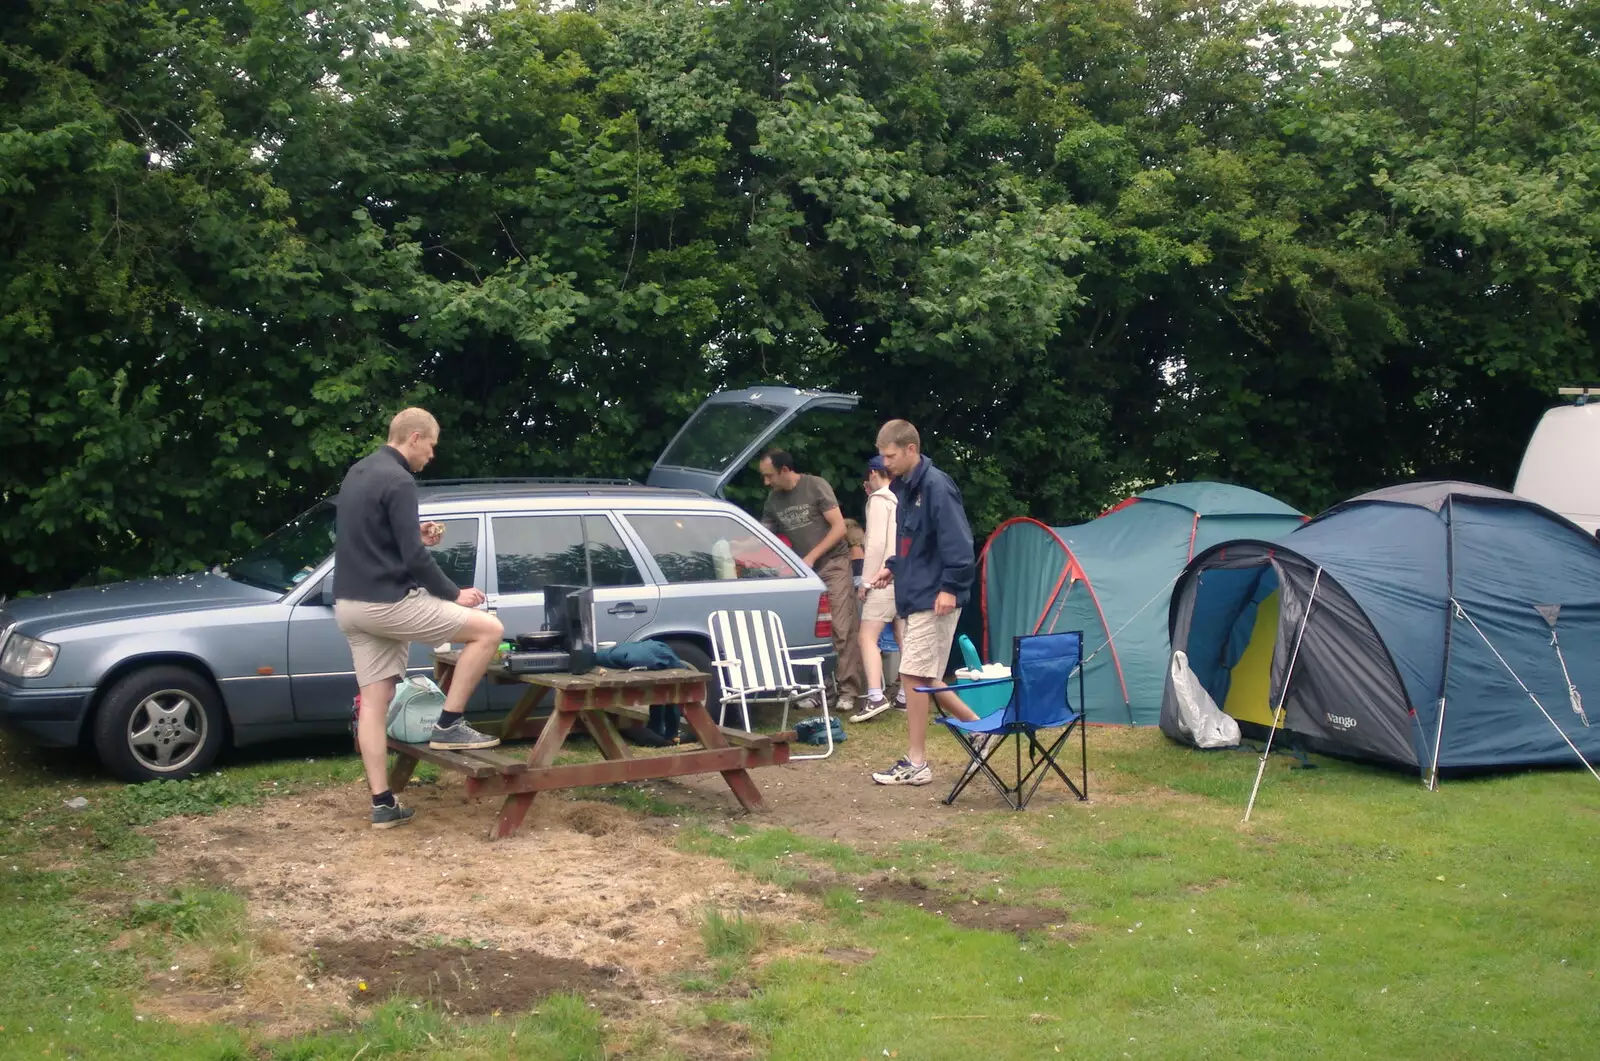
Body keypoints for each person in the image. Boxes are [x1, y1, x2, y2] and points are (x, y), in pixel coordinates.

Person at [334, 407, 505, 828]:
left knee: (375, 703)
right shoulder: (399, 479)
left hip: (349, 605)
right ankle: (449, 723)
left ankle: (382, 804)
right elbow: (412, 558)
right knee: (489, 630)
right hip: (387, 603)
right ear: (413, 438)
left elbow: (376, 538)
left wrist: (417, 531)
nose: (431, 454)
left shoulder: (359, 472)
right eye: (431, 445)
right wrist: (454, 594)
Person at [866, 420, 987, 785]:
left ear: (910, 449)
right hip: (916, 591)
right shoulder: (906, 489)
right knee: (924, 676)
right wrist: (892, 567)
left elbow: (960, 545)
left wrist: (950, 587)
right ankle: (981, 732)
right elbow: (913, 544)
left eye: (890, 455)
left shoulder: (936, 486)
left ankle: (917, 763)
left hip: (935, 596)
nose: (885, 463)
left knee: (912, 675)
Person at [759, 449, 864, 712]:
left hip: (834, 565)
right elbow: (765, 538)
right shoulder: (773, 500)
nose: (766, 482)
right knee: (816, 633)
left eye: (769, 476)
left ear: (785, 470)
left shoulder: (815, 485)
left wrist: (811, 556)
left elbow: (840, 528)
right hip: (806, 575)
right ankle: (821, 691)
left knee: (842, 628)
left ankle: (848, 691)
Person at [852, 456, 907, 722]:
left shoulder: (877, 501)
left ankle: (875, 696)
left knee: (866, 637)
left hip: (883, 578)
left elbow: (873, 543)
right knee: (903, 635)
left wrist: (866, 581)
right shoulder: (899, 500)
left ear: (874, 474)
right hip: (903, 576)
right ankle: (907, 696)